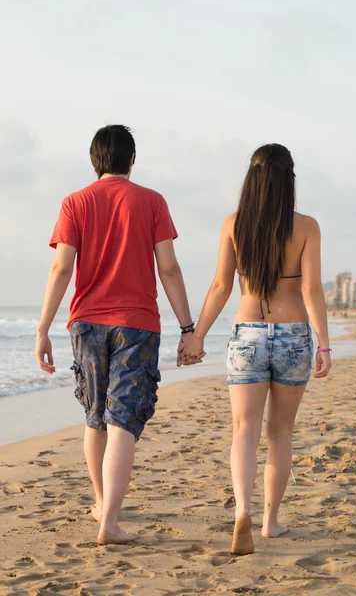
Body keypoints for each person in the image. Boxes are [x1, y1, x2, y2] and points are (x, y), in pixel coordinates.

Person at [35, 125, 202, 545]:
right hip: (137, 325)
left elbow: (61, 269)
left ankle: (99, 502)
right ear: (132, 159)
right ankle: (109, 521)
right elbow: (168, 269)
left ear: (95, 161)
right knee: (122, 423)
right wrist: (188, 328)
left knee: (95, 419)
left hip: (87, 324)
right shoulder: (152, 201)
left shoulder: (75, 202)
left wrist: (43, 329)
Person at [179, 144, 332, 555]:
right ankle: (270, 522)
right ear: (289, 181)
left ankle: (241, 512)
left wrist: (196, 335)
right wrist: (325, 344)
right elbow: (311, 289)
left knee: (243, 431)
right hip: (292, 335)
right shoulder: (307, 227)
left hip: (246, 334)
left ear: (252, 179)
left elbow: (220, 287)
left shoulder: (234, 224)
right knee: (280, 432)